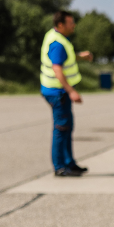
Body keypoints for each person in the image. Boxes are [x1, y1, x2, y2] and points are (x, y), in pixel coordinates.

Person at [40, 10, 93, 177]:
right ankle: (60, 167)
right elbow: (57, 68)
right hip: (58, 91)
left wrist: (79, 57)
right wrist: (71, 91)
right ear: (61, 24)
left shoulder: (57, 37)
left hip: (56, 90)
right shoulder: (58, 43)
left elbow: (63, 58)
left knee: (67, 127)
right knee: (61, 128)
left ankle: (69, 163)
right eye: (71, 23)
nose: (74, 25)